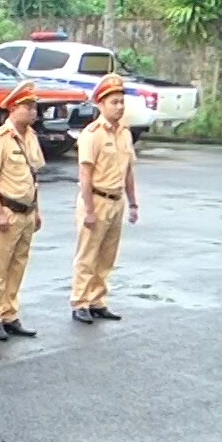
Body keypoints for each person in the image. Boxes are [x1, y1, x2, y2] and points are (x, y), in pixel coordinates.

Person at [71, 73, 138, 324]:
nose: (119, 107)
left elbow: (128, 171)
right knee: (87, 254)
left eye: (122, 102)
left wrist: (133, 203)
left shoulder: (125, 133)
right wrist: (89, 209)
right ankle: (80, 301)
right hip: (96, 200)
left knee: (107, 255)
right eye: (114, 102)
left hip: (116, 200)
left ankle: (97, 300)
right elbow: (85, 175)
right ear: (101, 105)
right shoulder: (92, 134)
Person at [0, 81, 45, 341]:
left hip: (26, 212)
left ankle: (10, 313)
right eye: (27, 107)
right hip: (6, 210)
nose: (33, 112)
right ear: (12, 109)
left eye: (34, 107)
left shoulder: (31, 137)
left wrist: (36, 209)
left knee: (18, 266)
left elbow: (33, 176)